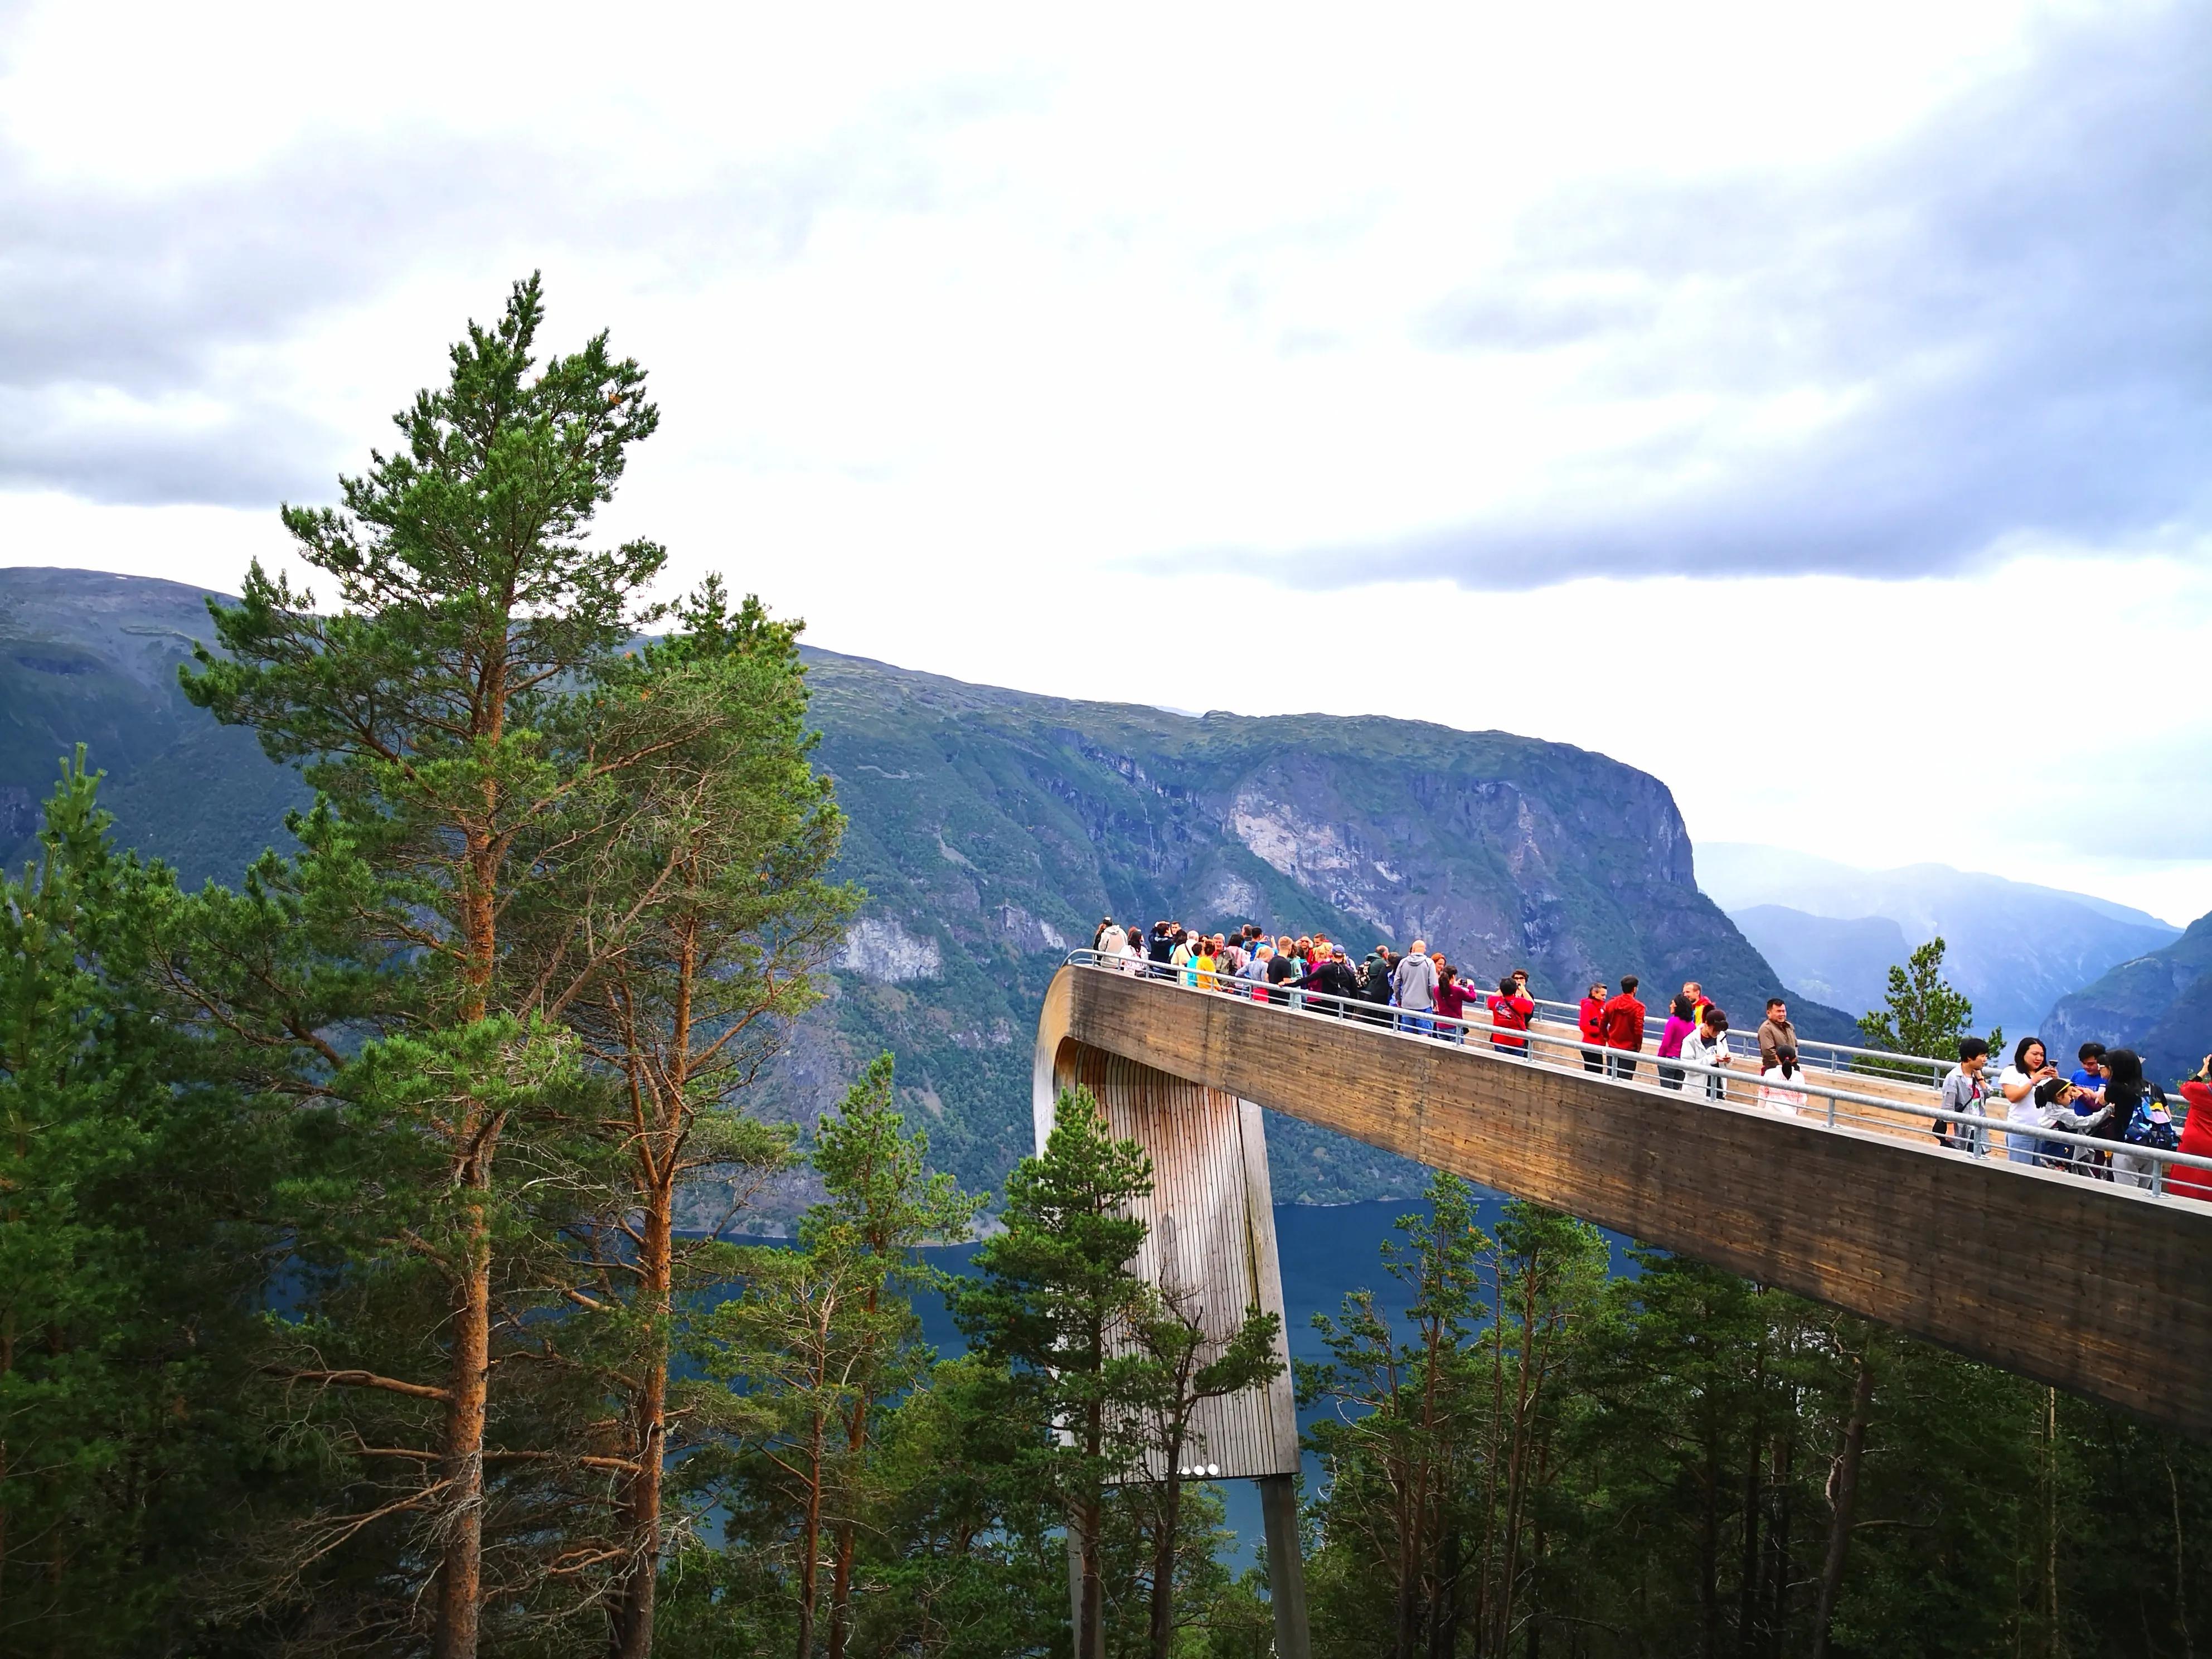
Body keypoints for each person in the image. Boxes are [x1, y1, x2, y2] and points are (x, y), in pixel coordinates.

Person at [2105, 1050, 2171, 1189]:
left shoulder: (2116, 1088)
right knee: (2144, 1195)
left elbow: (2102, 1101)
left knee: (2126, 1194)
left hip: (2127, 1145)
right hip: (2152, 1146)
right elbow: (2168, 1116)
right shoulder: (2154, 1088)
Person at [1998, 1037, 2063, 1166]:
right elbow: (2013, 1097)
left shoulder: (2045, 1075)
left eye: (2042, 1055)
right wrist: (2034, 1080)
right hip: (2021, 1131)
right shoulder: (2011, 1072)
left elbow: (2059, 1102)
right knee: (2021, 1172)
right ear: (2022, 1054)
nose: (2039, 1058)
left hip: (2045, 1133)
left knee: (2041, 1174)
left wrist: (2056, 1081)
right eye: (2035, 1054)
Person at [1938, 1037, 1992, 1156]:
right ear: (1969, 1057)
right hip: (1961, 1130)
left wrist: (1981, 1079)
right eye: (1982, 1056)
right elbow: (1948, 1105)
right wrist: (1950, 1129)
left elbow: (1988, 1093)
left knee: (1979, 1161)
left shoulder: (1976, 1075)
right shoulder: (1954, 1077)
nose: (1985, 1060)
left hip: (1977, 1128)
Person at [2167, 1059, 2212, 1201]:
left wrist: (2203, 1071)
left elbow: (2186, 1087)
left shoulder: (2199, 1091)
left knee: (2186, 1178)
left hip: (2193, 1141)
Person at [1681, 1005, 1732, 1100]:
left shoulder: (1721, 1037)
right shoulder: (1691, 1040)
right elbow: (1687, 1068)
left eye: (1720, 1030)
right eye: (1715, 1030)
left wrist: (1728, 1060)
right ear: (1706, 1024)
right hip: (1697, 1093)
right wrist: (1710, 1060)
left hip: (1718, 1089)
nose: (1717, 1033)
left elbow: (1726, 1064)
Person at [1600, 976, 1646, 1080]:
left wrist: (1607, 1038)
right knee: (1626, 1080)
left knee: (1611, 1077)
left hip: (1613, 1046)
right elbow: (1638, 1030)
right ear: (1634, 989)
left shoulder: (1611, 1004)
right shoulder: (1638, 1007)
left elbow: (1602, 1024)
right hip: (1630, 1049)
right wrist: (1638, 1046)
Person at [1394, 940, 1438, 1036]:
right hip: (1424, 1005)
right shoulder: (1429, 963)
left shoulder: (1403, 962)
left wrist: (1399, 999)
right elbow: (1433, 986)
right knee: (1424, 1035)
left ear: (1413, 949)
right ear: (1424, 950)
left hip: (1407, 1005)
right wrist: (1435, 1001)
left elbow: (1396, 983)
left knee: (1406, 1035)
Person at [1488, 973, 1535, 1058]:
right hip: (1517, 1040)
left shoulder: (1494, 1001)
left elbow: (1492, 997)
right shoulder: (1521, 1002)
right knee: (1517, 1064)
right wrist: (1523, 990)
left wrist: (1502, 989)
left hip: (1499, 1039)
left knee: (1501, 1062)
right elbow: (1532, 1004)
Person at [1656, 992, 1697, 1090]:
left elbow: (1666, 1043)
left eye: (1673, 1003)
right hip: (1683, 1062)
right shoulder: (1692, 1026)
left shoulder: (1673, 1022)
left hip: (1670, 1060)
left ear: (1678, 1007)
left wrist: (1659, 1058)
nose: (1670, 1005)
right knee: (1677, 1090)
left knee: (1666, 1090)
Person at [1431, 963, 1476, 1041]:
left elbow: (1447, 992)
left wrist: (1454, 985)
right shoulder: (1457, 991)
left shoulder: (1436, 989)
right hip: (1454, 1026)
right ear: (1453, 977)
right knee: (1457, 1051)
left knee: (1442, 1049)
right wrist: (1471, 987)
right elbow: (1472, 998)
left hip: (1441, 1025)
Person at [1758, 1050, 1807, 1115]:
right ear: (1794, 1059)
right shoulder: (1799, 1076)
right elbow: (1802, 1101)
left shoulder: (1769, 1073)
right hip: (1790, 1117)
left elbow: (1762, 1095)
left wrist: (1760, 1112)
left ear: (1777, 1058)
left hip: (1769, 1115)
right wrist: (1797, 1115)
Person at [1756, 999, 1797, 1074]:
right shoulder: (1766, 1029)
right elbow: (1768, 1052)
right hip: (1773, 1069)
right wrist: (1783, 1065)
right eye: (1778, 1011)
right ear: (1769, 1013)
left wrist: (1793, 1061)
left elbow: (1795, 1046)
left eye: (1784, 1011)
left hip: (1793, 1068)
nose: (1782, 1014)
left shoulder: (1789, 1027)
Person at [1578, 982, 1608, 1073]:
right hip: (1591, 1045)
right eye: (1602, 995)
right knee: (1595, 1073)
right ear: (1594, 993)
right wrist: (1599, 1031)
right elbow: (1583, 1026)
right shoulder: (1589, 1006)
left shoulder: (1599, 1007)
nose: (1604, 998)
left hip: (1597, 1045)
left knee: (1596, 1072)